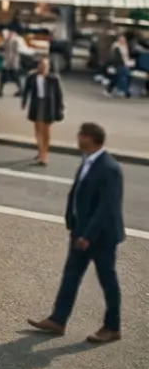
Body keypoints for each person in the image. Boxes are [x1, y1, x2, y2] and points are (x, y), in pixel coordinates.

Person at [27, 122, 124, 344]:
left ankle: (113, 327)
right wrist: (73, 222)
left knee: (107, 280)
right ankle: (58, 320)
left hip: (100, 237)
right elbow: (79, 194)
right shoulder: (88, 161)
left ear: (91, 139)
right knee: (71, 275)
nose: (78, 137)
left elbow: (107, 207)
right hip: (81, 232)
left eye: (81, 135)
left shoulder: (109, 168)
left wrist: (87, 235)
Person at [21, 56, 64, 166]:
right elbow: (26, 90)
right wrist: (24, 102)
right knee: (38, 129)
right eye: (42, 65)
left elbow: (59, 95)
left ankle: (44, 153)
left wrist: (60, 108)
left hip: (48, 105)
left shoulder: (53, 79)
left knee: (46, 130)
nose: (44, 68)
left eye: (46, 66)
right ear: (38, 66)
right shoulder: (32, 77)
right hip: (37, 104)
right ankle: (41, 151)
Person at [0, 29, 23, 97]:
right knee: (7, 77)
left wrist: (10, 63)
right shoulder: (7, 40)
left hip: (11, 63)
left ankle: (20, 91)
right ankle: (0, 91)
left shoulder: (13, 41)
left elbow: (14, 53)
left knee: (15, 77)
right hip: (9, 62)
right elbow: (0, 47)